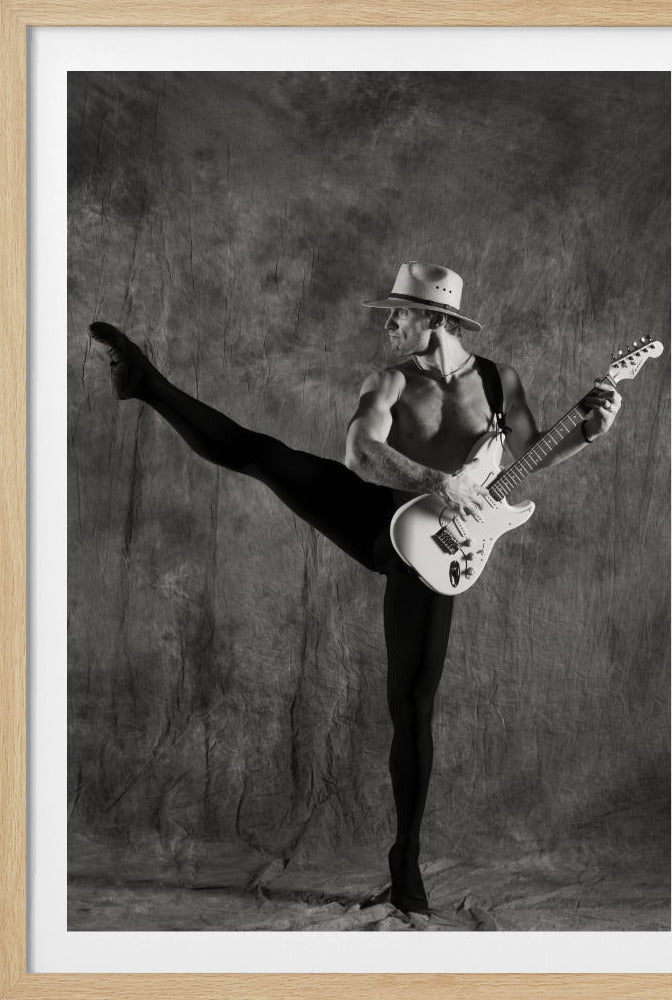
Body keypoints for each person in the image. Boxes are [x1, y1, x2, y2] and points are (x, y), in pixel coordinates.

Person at [89, 260, 621, 917]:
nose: (389, 322)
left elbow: (534, 449)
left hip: (431, 552)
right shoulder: (390, 379)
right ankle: (145, 381)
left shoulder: (496, 380)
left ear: (436, 319)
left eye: (399, 312)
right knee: (264, 454)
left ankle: (405, 864)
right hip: (375, 516)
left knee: (412, 704)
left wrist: (589, 433)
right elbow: (360, 454)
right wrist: (438, 483)